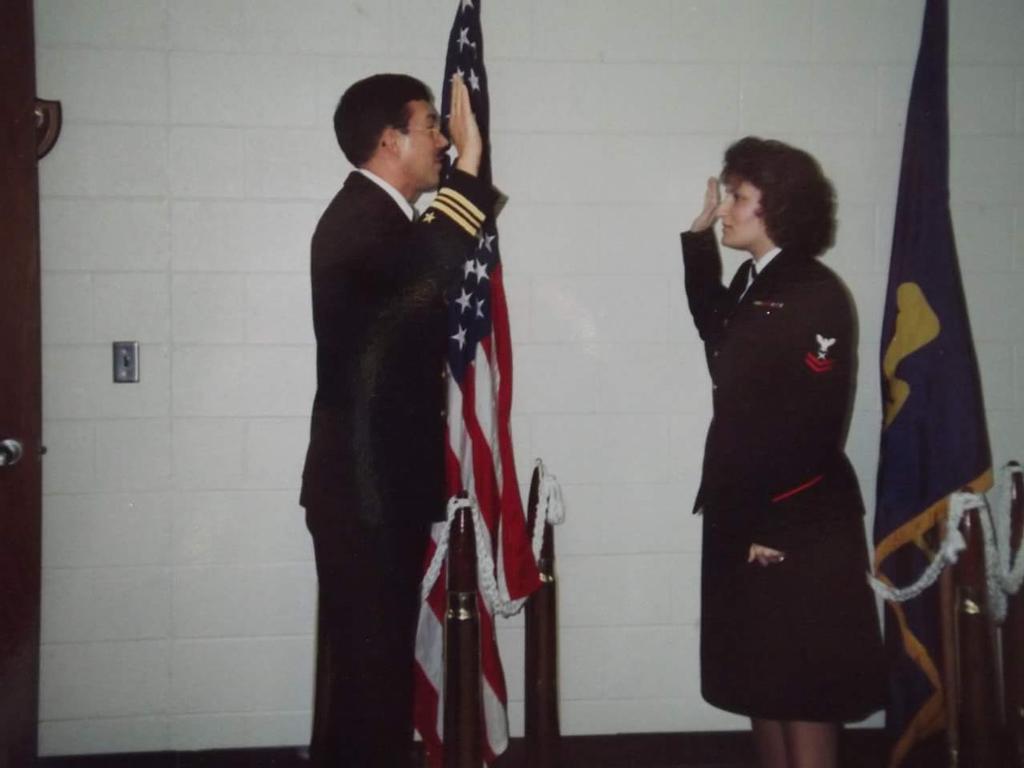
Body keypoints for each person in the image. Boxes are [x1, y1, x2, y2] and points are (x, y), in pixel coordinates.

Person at [300, 73, 496, 767]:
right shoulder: (363, 221)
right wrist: (470, 166)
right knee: (373, 680)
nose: (443, 141)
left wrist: (463, 172)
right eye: (432, 128)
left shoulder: (378, 221)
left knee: (368, 677)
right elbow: (430, 273)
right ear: (391, 141)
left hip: (369, 490)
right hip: (365, 491)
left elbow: (423, 275)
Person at [680, 137, 886, 768]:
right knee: (757, 678)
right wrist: (695, 242)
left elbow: (813, 424)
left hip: (793, 520)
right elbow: (717, 329)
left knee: (803, 688)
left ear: (780, 207)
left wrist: (768, 521)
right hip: (745, 508)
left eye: (738, 197)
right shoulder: (754, 279)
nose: (725, 210)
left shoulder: (813, 291)